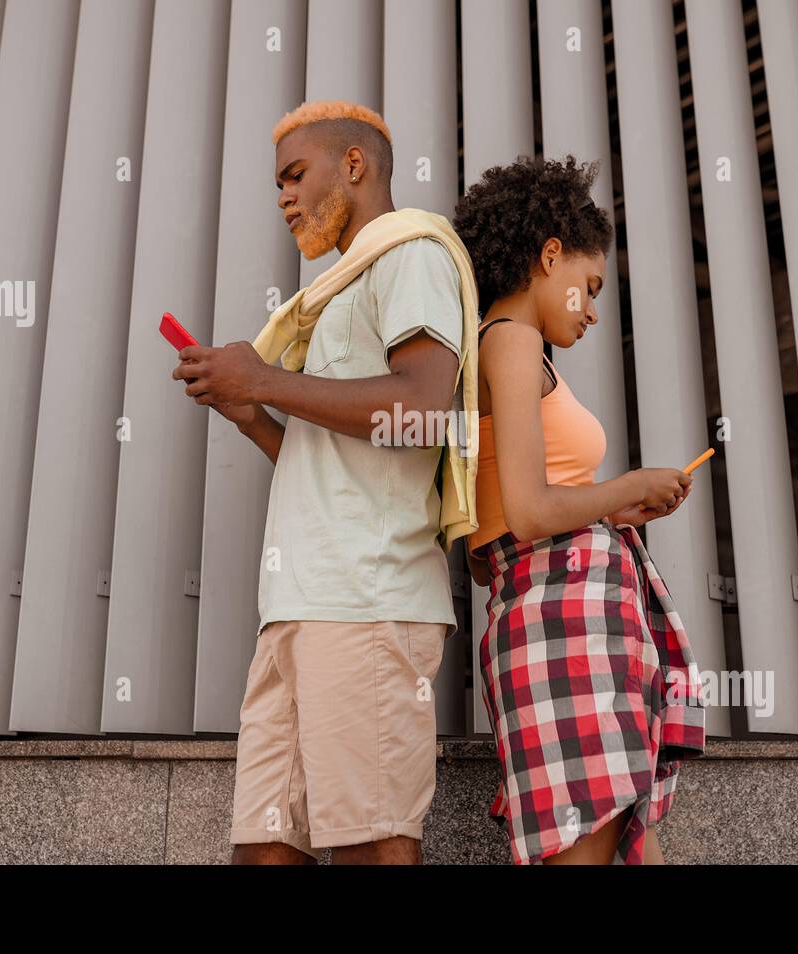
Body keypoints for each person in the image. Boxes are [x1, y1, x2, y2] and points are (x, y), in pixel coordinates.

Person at [171, 101, 481, 865]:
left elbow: (419, 409)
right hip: (298, 609)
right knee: (265, 851)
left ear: (354, 165)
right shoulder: (340, 291)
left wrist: (270, 377)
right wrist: (254, 413)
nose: (282, 197)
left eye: (294, 176)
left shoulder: (412, 254)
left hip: (366, 605)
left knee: (372, 849)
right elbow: (341, 466)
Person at [453, 154, 707, 865]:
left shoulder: (516, 354)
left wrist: (609, 513)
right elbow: (529, 514)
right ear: (549, 255)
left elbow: (493, 540)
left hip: (573, 626)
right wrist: (624, 492)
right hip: (558, 627)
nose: (593, 310)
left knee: (628, 849)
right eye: (588, 287)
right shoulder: (510, 340)